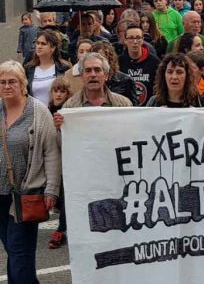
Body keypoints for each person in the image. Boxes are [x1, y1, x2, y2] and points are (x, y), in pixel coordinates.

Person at [0, 60, 61, 284]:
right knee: (13, 248)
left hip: (27, 192)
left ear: (23, 83)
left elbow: (51, 152)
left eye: (12, 82)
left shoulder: (38, 112)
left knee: (18, 248)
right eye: (3, 82)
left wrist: (52, 190)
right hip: (1, 193)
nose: (7, 86)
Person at [46, 77, 72, 250]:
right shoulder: (45, 111)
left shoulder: (70, 113)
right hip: (53, 159)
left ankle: (62, 229)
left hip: (67, 159)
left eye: (62, 91)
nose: (58, 94)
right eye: (56, 90)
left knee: (66, 198)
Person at [58, 52, 132, 109]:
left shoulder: (124, 104)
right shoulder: (69, 107)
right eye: (88, 70)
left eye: (97, 70)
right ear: (81, 77)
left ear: (106, 75)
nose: (93, 74)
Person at [26, 30, 72, 106]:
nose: (39, 46)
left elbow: (70, 93)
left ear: (53, 48)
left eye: (43, 44)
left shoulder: (64, 67)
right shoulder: (29, 68)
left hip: (57, 113)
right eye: (37, 43)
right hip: (36, 113)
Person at [118, 25, 160, 106]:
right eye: (131, 38)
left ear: (143, 40)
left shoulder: (154, 62)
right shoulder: (119, 62)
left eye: (138, 38)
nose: (135, 41)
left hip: (149, 109)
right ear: (125, 41)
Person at [91, 40, 138, 106]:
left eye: (103, 58)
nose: (100, 62)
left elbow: (134, 108)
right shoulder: (89, 79)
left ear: (110, 58)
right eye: (97, 58)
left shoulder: (126, 80)